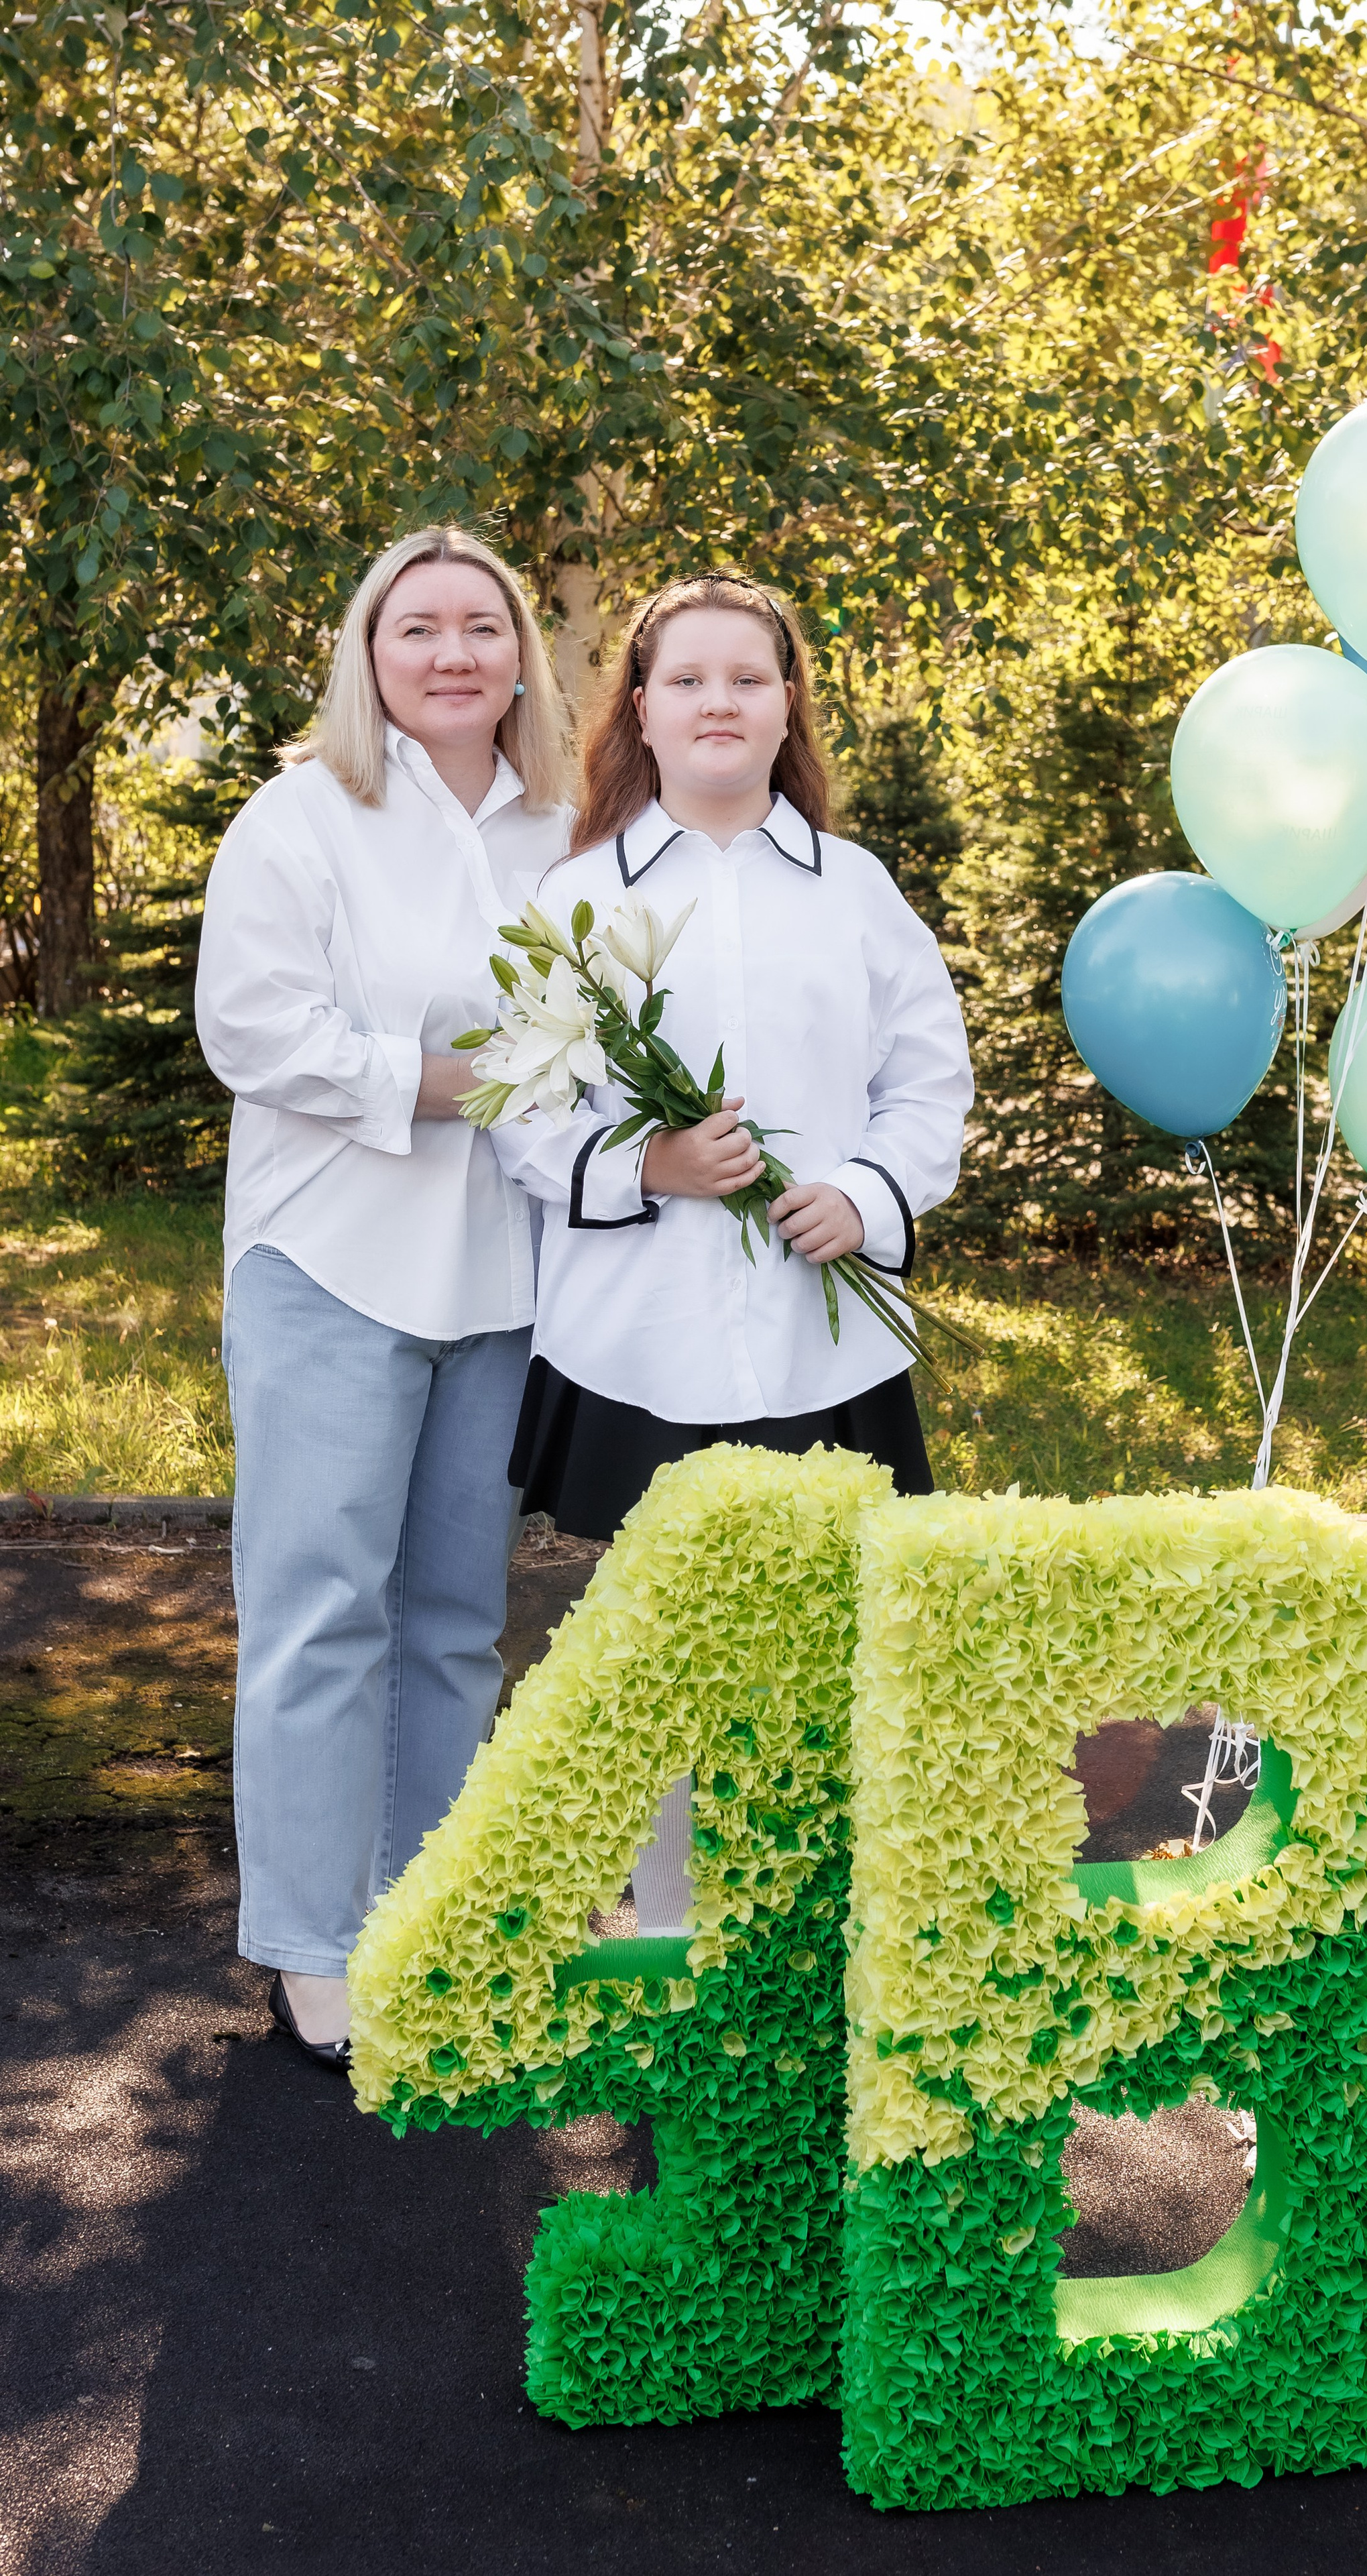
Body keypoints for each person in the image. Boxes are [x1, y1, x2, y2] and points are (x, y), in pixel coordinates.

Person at [490, 571, 971, 1931]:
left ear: (785, 709)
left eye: (745, 679)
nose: (717, 700)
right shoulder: (575, 897)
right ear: (638, 710)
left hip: (823, 1334)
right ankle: (666, 1927)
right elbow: (524, 1113)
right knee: (655, 1645)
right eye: (686, 678)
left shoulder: (857, 892)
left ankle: (802, 1924)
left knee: (824, 1642)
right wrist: (650, 1165)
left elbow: (927, 1083)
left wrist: (867, 1195)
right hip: (641, 1338)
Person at [196, 526, 574, 2067]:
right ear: (369, 655)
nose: (450, 654)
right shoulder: (300, 820)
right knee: (317, 1615)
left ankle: (425, 1911)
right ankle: (310, 1943)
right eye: (415, 628)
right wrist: (439, 1080)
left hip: (500, 1272)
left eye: (480, 627)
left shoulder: (566, 829)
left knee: (453, 1624)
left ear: (519, 658)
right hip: (330, 1258)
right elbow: (251, 1027)